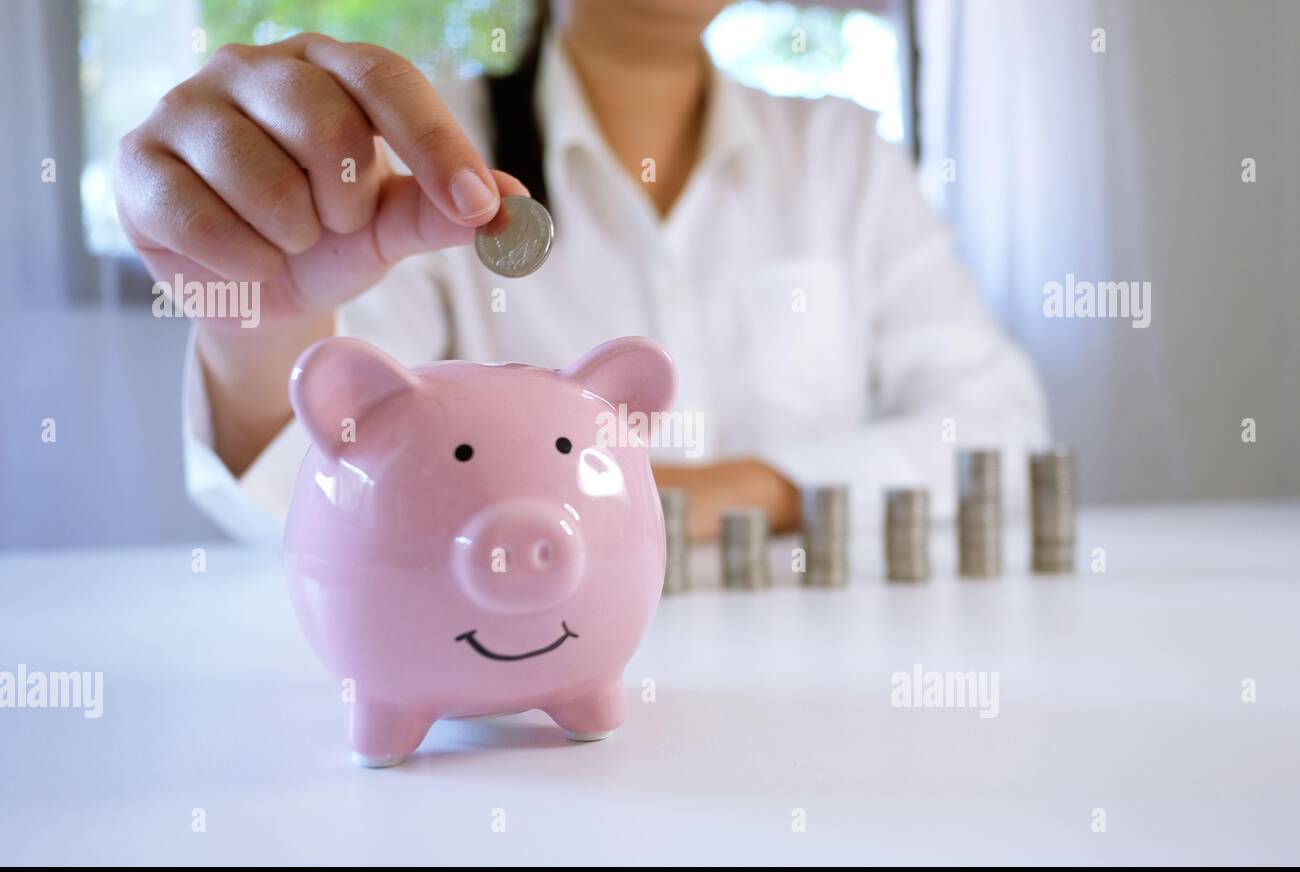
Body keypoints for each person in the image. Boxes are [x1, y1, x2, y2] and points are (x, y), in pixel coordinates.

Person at [114, 0, 1048, 546]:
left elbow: (1001, 431)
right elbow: (319, 503)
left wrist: (751, 487)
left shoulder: (843, 153)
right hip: (515, 705)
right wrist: (260, 331)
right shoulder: (406, 166)